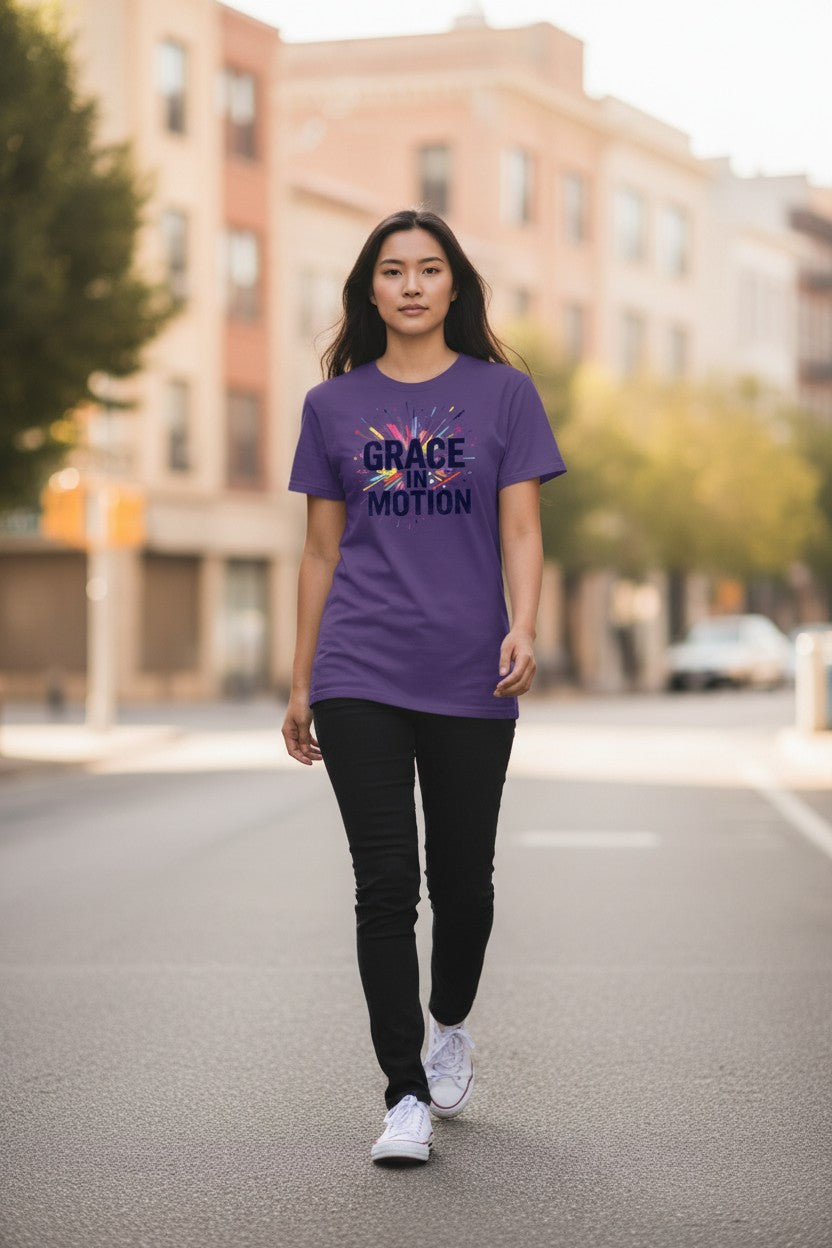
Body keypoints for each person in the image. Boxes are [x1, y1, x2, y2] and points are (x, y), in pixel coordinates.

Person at [282, 208, 566, 1165]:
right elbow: (320, 552)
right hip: (358, 667)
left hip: (469, 669)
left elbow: (522, 530)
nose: (410, 284)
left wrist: (521, 626)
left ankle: (449, 1019)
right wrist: (300, 681)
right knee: (384, 887)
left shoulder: (504, 396)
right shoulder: (331, 408)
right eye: (393, 270)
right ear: (370, 288)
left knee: (465, 887)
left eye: (429, 269)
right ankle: (402, 1092)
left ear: (454, 286)